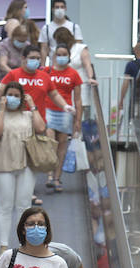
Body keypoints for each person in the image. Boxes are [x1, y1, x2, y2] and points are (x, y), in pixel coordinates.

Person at [0, 83, 48, 251]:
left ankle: (24, 245)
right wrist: (2, 109)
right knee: (5, 206)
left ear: (22, 98)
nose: (13, 98)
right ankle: (3, 247)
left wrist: (33, 105)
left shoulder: (28, 115)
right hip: (2, 165)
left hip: (27, 165)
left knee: (24, 206)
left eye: (16, 95)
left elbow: (41, 128)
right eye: (10, 95)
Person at [43, 43, 83, 193]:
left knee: (61, 146)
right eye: (58, 54)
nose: (61, 57)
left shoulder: (74, 74)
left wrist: (78, 120)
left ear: (68, 56)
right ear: (54, 56)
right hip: (48, 110)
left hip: (66, 112)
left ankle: (57, 178)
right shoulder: (47, 71)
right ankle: (49, 175)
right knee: (50, 143)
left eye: (64, 54)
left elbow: (78, 99)